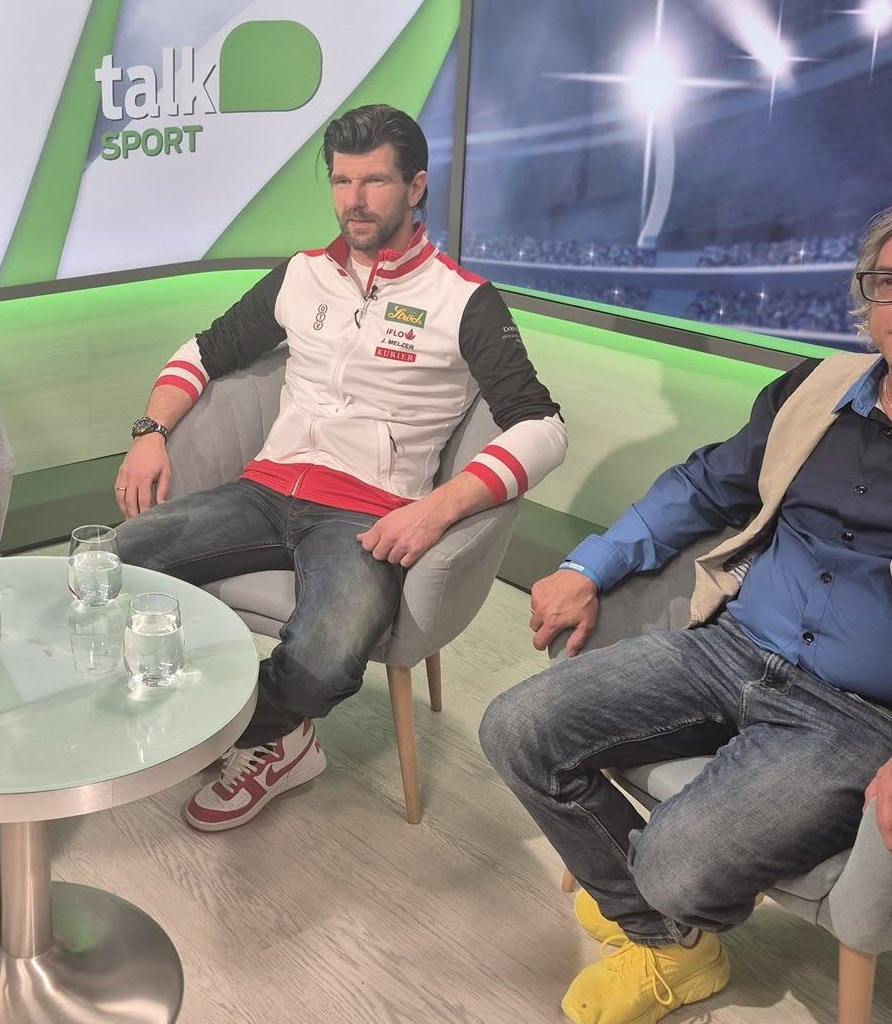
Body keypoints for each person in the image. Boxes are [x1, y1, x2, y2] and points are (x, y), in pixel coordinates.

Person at [480, 190, 892, 1024]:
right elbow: (704, 485)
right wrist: (589, 563)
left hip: (866, 713)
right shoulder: (814, 386)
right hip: (726, 648)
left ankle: (657, 910)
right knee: (516, 726)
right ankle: (671, 939)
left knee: (678, 865)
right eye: (888, 281)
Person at [112, 104, 568, 831]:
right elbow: (205, 350)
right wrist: (150, 432)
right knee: (106, 567)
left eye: (374, 182)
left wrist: (437, 508)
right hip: (264, 490)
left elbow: (542, 426)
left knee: (326, 659)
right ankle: (236, 721)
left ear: (416, 187)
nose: (354, 200)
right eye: (342, 181)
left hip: (367, 514)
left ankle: (257, 737)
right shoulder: (302, 275)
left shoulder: (464, 301)